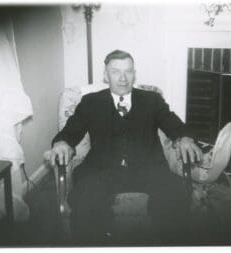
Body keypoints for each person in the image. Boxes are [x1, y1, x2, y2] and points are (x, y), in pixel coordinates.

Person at [50, 50, 202, 244]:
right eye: (115, 72)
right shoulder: (91, 102)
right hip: (101, 171)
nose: (123, 78)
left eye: (128, 71)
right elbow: (70, 131)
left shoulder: (151, 100)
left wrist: (185, 138)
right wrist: (62, 143)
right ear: (106, 75)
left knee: (174, 198)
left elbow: (175, 125)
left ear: (134, 74)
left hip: (148, 169)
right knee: (84, 201)